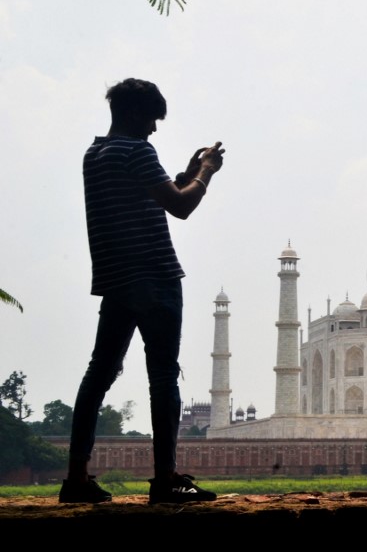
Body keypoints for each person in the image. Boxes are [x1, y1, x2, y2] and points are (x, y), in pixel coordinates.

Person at [58, 79, 224, 504]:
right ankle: (165, 479)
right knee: (163, 377)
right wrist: (205, 173)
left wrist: (184, 174)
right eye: (151, 118)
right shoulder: (137, 150)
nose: (154, 128)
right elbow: (181, 207)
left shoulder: (94, 154)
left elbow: (149, 197)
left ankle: (76, 478)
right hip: (154, 276)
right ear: (134, 113)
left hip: (116, 280)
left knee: (98, 375)